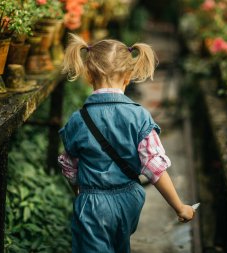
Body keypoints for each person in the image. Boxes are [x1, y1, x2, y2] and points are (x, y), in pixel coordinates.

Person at [58, 33, 195, 253]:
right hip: (129, 200)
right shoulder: (139, 117)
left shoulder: (77, 120)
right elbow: (154, 167)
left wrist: (81, 193)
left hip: (92, 202)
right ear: (128, 77)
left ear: (89, 76)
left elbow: (69, 167)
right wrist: (180, 207)